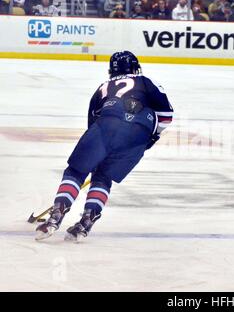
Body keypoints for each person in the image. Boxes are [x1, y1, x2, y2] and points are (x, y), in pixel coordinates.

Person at [35, 51, 174, 242]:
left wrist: (93, 154)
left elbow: (93, 123)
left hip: (106, 125)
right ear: (135, 67)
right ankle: (87, 220)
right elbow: (166, 115)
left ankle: (57, 215)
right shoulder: (146, 82)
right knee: (103, 177)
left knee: (76, 171)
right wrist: (151, 136)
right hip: (138, 135)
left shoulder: (103, 87)